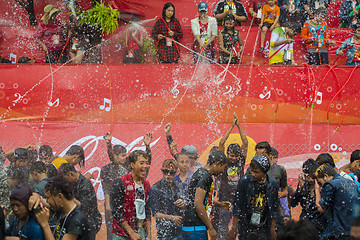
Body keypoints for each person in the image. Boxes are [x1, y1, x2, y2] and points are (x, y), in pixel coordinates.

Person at [213, 113, 248, 240]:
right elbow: (222, 142)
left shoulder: (240, 162)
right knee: (222, 227)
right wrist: (231, 126)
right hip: (224, 199)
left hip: (239, 199)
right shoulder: (223, 162)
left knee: (239, 226)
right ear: (227, 154)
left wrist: (238, 126)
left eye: (236, 156)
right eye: (231, 155)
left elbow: (245, 142)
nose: (233, 158)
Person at [228, 155, 279, 240]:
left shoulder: (272, 184)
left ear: (264, 171)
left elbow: (274, 208)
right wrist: (234, 228)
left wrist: (272, 230)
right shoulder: (245, 181)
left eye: (256, 172)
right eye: (251, 171)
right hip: (246, 225)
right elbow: (237, 206)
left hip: (264, 225)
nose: (253, 174)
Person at [182, 150, 229, 240]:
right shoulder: (206, 176)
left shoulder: (200, 172)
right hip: (196, 226)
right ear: (217, 163)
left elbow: (196, 199)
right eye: (223, 167)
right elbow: (198, 203)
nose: (222, 171)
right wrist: (210, 228)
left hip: (189, 225)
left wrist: (219, 204)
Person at [111, 150, 151, 240]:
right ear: (132, 165)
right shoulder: (121, 182)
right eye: (141, 163)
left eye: (147, 163)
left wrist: (149, 235)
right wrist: (131, 233)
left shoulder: (146, 184)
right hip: (121, 234)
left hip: (140, 232)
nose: (145, 166)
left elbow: (147, 211)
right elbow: (116, 211)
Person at [315, 164, 360, 240]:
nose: (321, 185)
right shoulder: (351, 183)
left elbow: (321, 208)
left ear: (326, 176)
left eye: (320, 182)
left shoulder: (330, 184)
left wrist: (317, 190)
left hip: (340, 231)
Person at [58, 163, 102, 239]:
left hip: (89, 223)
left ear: (71, 174)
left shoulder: (85, 184)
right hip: (79, 222)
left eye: (66, 180)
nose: (66, 183)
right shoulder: (75, 182)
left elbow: (85, 207)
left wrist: (69, 197)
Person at [101, 132, 128, 240]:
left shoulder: (126, 167)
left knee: (125, 230)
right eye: (123, 156)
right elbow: (106, 188)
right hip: (111, 204)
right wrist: (108, 206)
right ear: (115, 155)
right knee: (111, 230)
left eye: (125, 155)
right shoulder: (106, 169)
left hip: (125, 204)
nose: (125, 158)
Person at [149, 159, 185, 240]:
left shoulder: (178, 186)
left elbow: (185, 206)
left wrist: (183, 204)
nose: (168, 174)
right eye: (166, 171)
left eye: (171, 172)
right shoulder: (156, 188)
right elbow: (156, 214)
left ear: (176, 173)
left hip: (179, 230)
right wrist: (172, 218)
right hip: (165, 232)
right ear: (162, 171)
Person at [290, 159, 327, 235]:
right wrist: (299, 189)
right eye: (308, 177)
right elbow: (293, 203)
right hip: (305, 225)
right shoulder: (304, 186)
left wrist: (317, 190)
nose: (310, 180)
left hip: (319, 226)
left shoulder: (323, 186)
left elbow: (323, 207)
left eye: (313, 177)